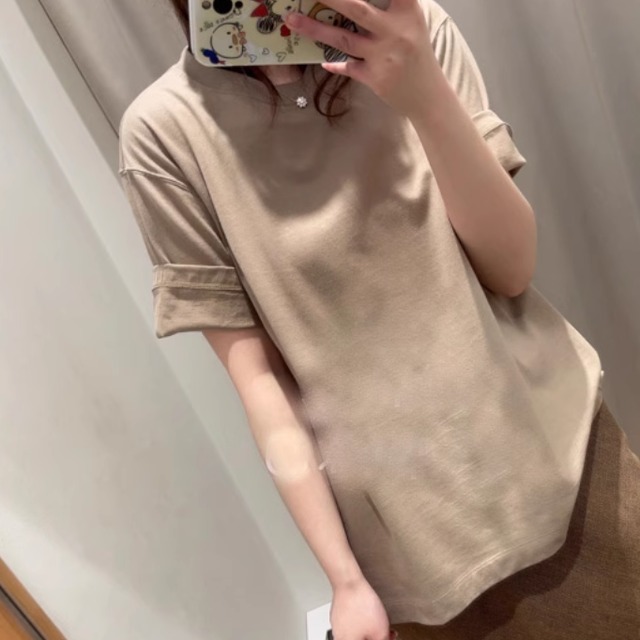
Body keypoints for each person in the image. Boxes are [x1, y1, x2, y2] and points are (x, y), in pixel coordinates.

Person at [117, 0, 640, 637]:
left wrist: (424, 95)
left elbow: (510, 269)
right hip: (407, 547)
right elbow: (261, 381)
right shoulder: (164, 133)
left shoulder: (414, 34)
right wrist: (344, 580)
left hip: (561, 466)